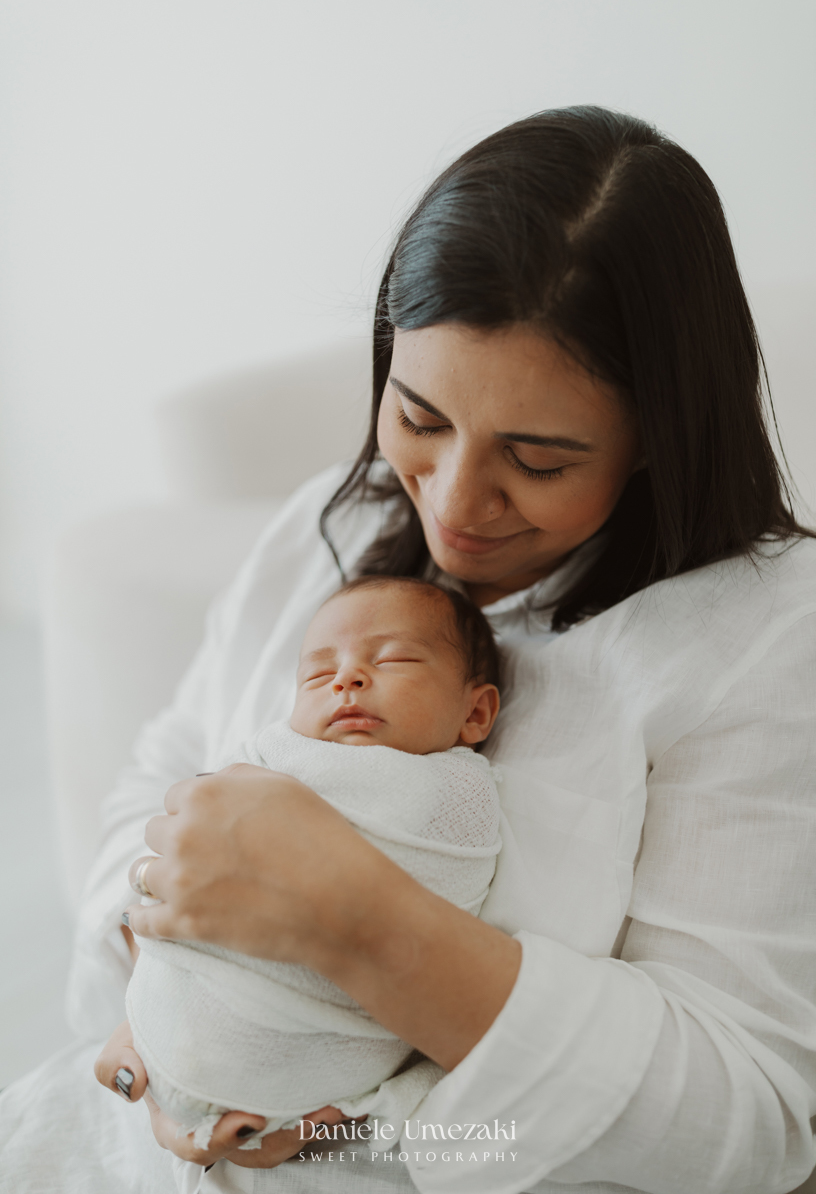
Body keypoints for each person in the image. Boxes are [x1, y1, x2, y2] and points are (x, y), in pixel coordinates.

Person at [1, 105, 815, 1194]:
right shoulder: (328, 528)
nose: (455, 504)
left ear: (657, 437)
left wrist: (359, 931)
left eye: (538, 459)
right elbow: (162, 770)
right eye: (420, 418)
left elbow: (749, 1121)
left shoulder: (763, 636)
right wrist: (167, 1013)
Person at [122, 577, 502, 1160]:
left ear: (475, 712)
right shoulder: (273, 755)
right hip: (164, 1026)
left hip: (323, 1081)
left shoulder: (461, 796)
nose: (347, 678)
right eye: (318, 674)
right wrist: (140, 934)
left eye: (393, 660)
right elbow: (189, 831)